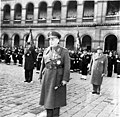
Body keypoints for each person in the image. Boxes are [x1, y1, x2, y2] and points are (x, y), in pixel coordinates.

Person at [38, 31, 70, 117]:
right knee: (48, 98)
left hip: (57, 78)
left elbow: (67, 66)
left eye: (53, 39)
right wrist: (40, 76)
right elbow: (43, 64)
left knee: (56, 100)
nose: (51, 41)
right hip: (47, 77)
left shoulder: (64, 51)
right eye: (50, 39)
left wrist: (65, 79)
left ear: (58, 40)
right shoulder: (46, 50)